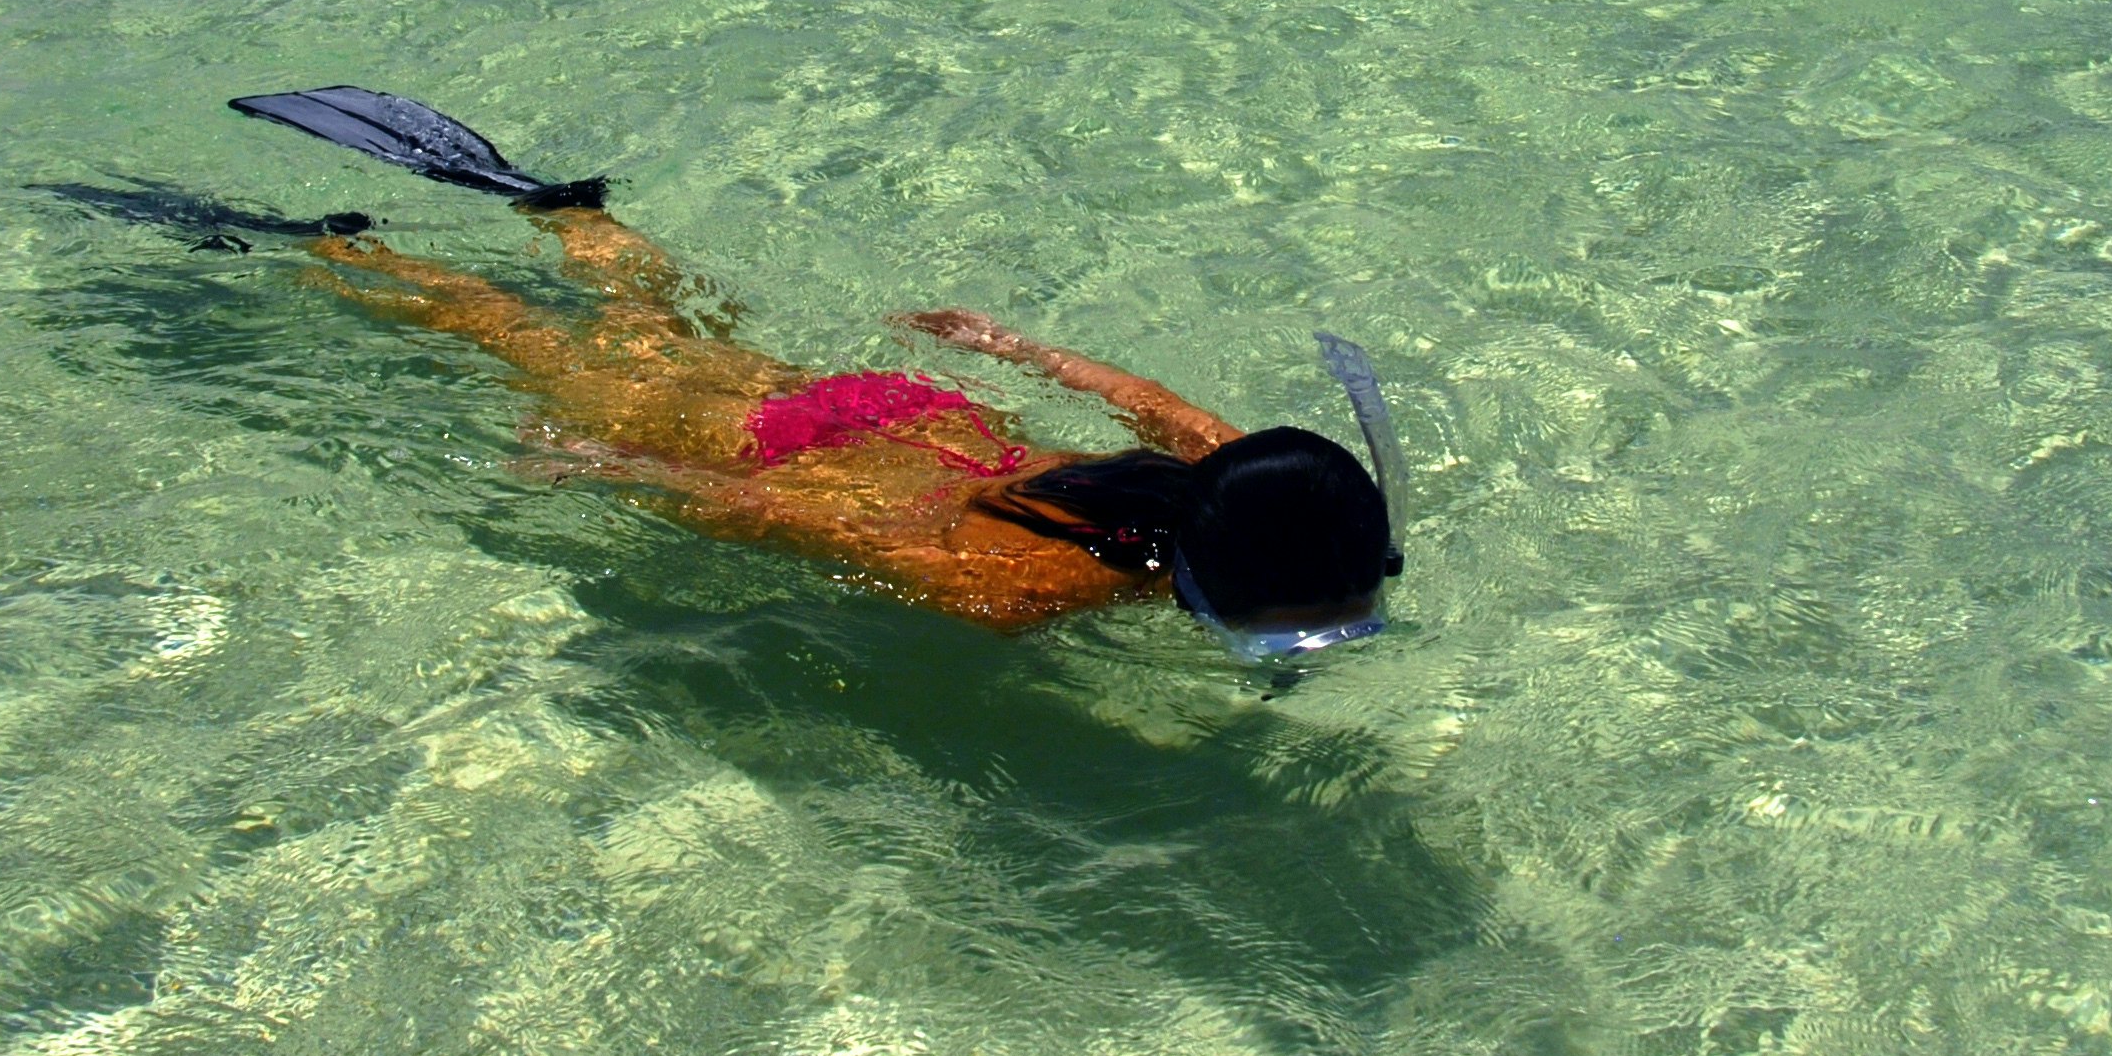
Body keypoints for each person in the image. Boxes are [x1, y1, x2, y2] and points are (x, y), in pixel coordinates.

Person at [228, 88, 1407, 650]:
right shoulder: (1015, 591)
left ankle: (563, 212)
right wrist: (612, 468)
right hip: (787, 452)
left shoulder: (1217, 462)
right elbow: (785, 520)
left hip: (913, 413)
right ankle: (335, 248)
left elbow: (1135, 400)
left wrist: (1010, 350)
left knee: (667, 326)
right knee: (521, 343)